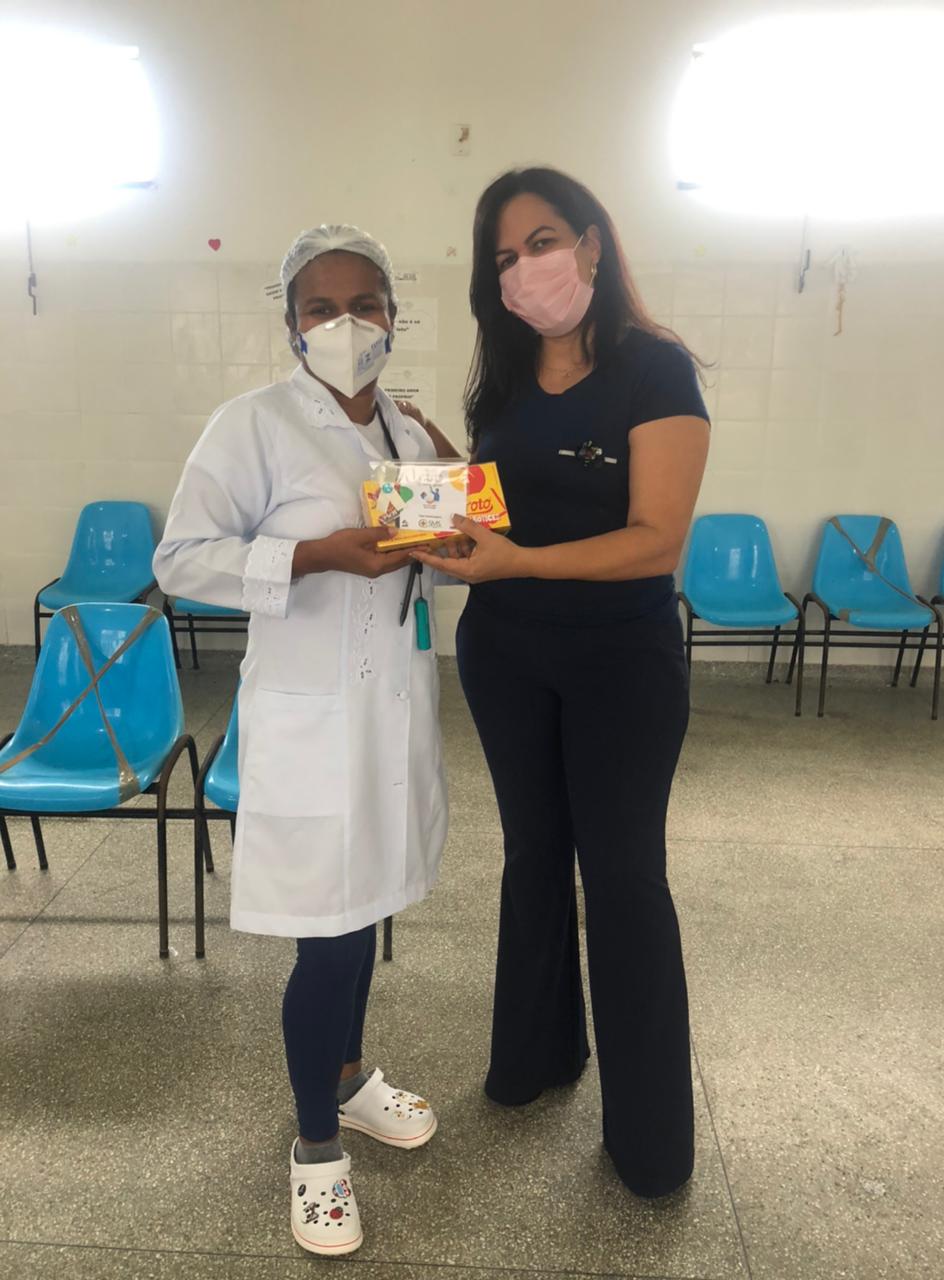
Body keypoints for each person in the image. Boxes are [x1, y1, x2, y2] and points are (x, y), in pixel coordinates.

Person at [154, 225, 457, 1256]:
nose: (345, 324)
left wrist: (457, 481)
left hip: (392, 711)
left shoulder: (406, 431)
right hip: (311, 721)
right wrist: (317, 555)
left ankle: (349, 1076)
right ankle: (316, 1146)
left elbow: (448, 551)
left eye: (364, 303)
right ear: (290, 326)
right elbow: (183, 559)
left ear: (393, 316)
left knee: (365, 908)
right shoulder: (252, 424)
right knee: (327, 936)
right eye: (320, 308)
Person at [413, 168, 710, 1198]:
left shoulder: (654, 369)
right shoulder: (500, 377)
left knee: (623, 879)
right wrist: (438, 462)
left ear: (590, 243)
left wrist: (522, 563)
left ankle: (650, 1140)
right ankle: (537, 1055)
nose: (522, 269)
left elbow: (655, 538)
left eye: (540, 241)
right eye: (503, 256)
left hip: (620, 662)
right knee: (533, 855)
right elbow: (505, 504)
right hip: (506, 653)